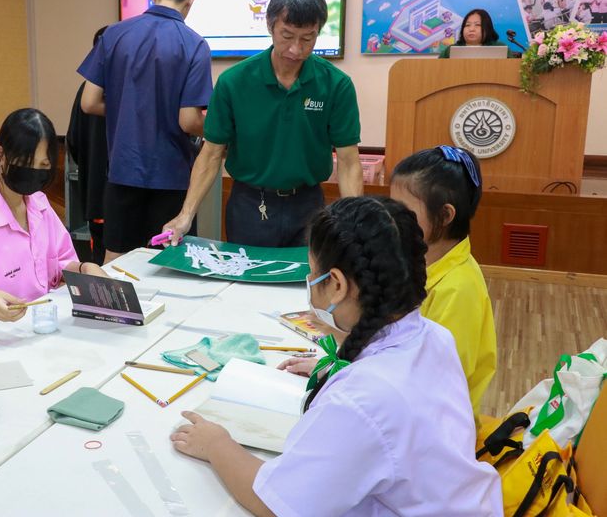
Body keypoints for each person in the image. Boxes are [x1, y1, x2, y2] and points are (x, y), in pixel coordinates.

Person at [170, 196, 502, 515]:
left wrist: (216, 445)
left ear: (337, 285)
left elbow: (275, 504)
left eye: (313, 272)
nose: (309, 281)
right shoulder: (434, 337)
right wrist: (341, 367)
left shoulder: (360, 399)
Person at [164, 0, 362, 248]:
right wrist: (185, 215)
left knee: (308, 274)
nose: (296, 49)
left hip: (309, 205)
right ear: (270, 25)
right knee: (246, 273)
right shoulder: (234, 82)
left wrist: (354, 223)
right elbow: (210, 154)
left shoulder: (336, 84)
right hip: (249, 204)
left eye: (307, 39)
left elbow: (349, 162)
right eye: (287, 35)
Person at [78, 0, 213, 263]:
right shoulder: (194, 45)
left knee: (116, 259)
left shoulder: (113, 34)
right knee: (168, 262)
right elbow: (188, 120)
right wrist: (215, 131)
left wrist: (126, 109)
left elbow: (89, 102)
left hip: (123, 169)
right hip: (171, 175)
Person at [0, 108, 108, 336]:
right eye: (26, 162)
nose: (34, 172)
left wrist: (84, 269)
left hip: (41, 329)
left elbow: (60, 263)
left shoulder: (39, 204)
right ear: (1, 156)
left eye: (43, 165)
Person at [390, 146, 496, 420]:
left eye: (403, 212)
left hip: (434, 426)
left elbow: (434, 384)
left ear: (445, 216)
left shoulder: (457, 289)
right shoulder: (415, 260)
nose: (391, 220)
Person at [67, 26, 109, 265]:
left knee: (101, 261)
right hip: (126, 196)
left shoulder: (85, 91)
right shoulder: (126, 89)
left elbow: (72, 140)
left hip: (95, 192)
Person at [438, 9, 507, 58]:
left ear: (487, 28)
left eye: (477, 25)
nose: (471, 29)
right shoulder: (451, 50)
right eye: (467, 25)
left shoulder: (500, 47)